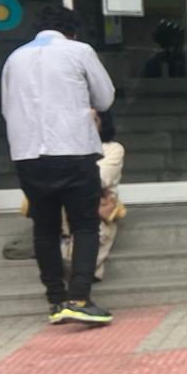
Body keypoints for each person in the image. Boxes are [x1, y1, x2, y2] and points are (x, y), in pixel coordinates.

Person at [0, 5, 116, 325]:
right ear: (72, 31)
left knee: (45, 228)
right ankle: (79, 298)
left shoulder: (14, 58)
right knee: (85, 226)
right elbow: (105, 99)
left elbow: (7, 109)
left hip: (27, 155)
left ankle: (55, 301)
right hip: (73, 150)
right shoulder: (79, 51)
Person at [60, 109, 127, 283]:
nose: (87, 125)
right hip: (65, 208)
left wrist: (69, 175)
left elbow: (100, 179)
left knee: (93, 238)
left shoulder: (113, 149)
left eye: (93, 120)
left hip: (96, 207)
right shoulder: (64, 147)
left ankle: (78, 271)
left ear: (102, 123)